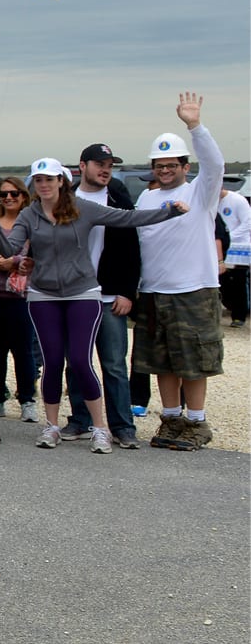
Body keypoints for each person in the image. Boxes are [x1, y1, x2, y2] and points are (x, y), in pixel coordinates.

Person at [0, 157, 181, 453]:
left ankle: (100, 428)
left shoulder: (81, 208)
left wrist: (169, 212)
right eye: (39, 180)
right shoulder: (29, 214)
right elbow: (10, 249)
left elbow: (127, 218)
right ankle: (51, 426)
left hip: (82, 292)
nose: (44, 185)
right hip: (43, 294)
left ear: (61, 181)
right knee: (52, 361)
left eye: (50, 179)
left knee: (80, 359)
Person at [133, 93, 226, 451]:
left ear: (186, 166)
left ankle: (197, 423)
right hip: (154, 291)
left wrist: (195, 126)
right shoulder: (146, 199)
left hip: (194, 291)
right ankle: (171, 419)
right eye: (159, 165)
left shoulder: (200, 193)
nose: (165, 170)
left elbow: (214, 165)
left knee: (194, 361)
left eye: (172, 164)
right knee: (162, 360)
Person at [63, 142, 146, 448]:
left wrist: (127, 292)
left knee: (114, 364)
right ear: (82, 166)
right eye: (100, 164)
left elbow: (131, 250)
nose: (106, 170)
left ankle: (123, 426)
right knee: (77, 362)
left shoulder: (119, 199)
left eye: (110, 165)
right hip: (74, 296)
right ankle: (80, 420)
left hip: (110, 297)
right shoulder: (65, 200)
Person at [0, 177, 39, 422]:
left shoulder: (31, 223)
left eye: (14, 193)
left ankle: (27, 400)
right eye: (3, 194)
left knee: (23, 351)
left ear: (24, 196)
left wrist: (14, 261)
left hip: (20, 296)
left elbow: (38, 254)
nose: (8, 198)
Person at [222, 181, 250, 327]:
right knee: (222, 279)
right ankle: (229, 304)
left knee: (239, 281)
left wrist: (228, 237)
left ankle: (239, 316)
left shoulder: (237, 200)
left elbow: (247, 223)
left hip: (239, 247)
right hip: (220, 246)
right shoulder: (208, 202)